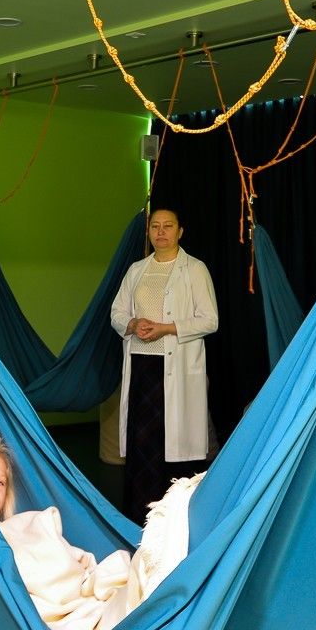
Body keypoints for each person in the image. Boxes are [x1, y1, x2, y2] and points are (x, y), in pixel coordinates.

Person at [0, 432, 202, 630]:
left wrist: (87, 578)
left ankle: (178, 555)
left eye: (0, 482)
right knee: (134, 604)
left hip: (83, 598)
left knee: (143, 574)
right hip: (60, 613)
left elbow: (76, 562)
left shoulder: (30, 523)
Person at [110, 208, 218, 522]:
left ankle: (173, 519)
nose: (161, 231)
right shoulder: (137, 270)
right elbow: (116, 313)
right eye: (155, 226)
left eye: (168, 226)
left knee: (174, 448)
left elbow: (210, 320)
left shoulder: (195, 269)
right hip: (142, 369)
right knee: (142, 445)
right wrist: (133, 324)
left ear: (180, 231)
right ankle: (138, 517)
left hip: (176, 369)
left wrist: (166, 328)